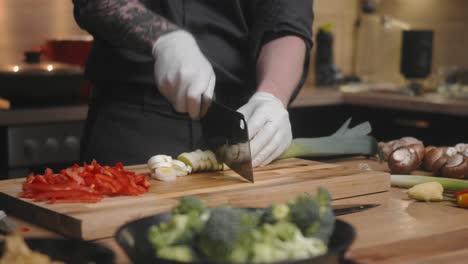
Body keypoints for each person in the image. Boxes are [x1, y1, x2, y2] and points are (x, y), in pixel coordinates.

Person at [72, 0, 313, 167]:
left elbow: (288, 19)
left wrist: (272, 96)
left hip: (240, 124)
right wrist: (164, 39)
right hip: (132, 125)